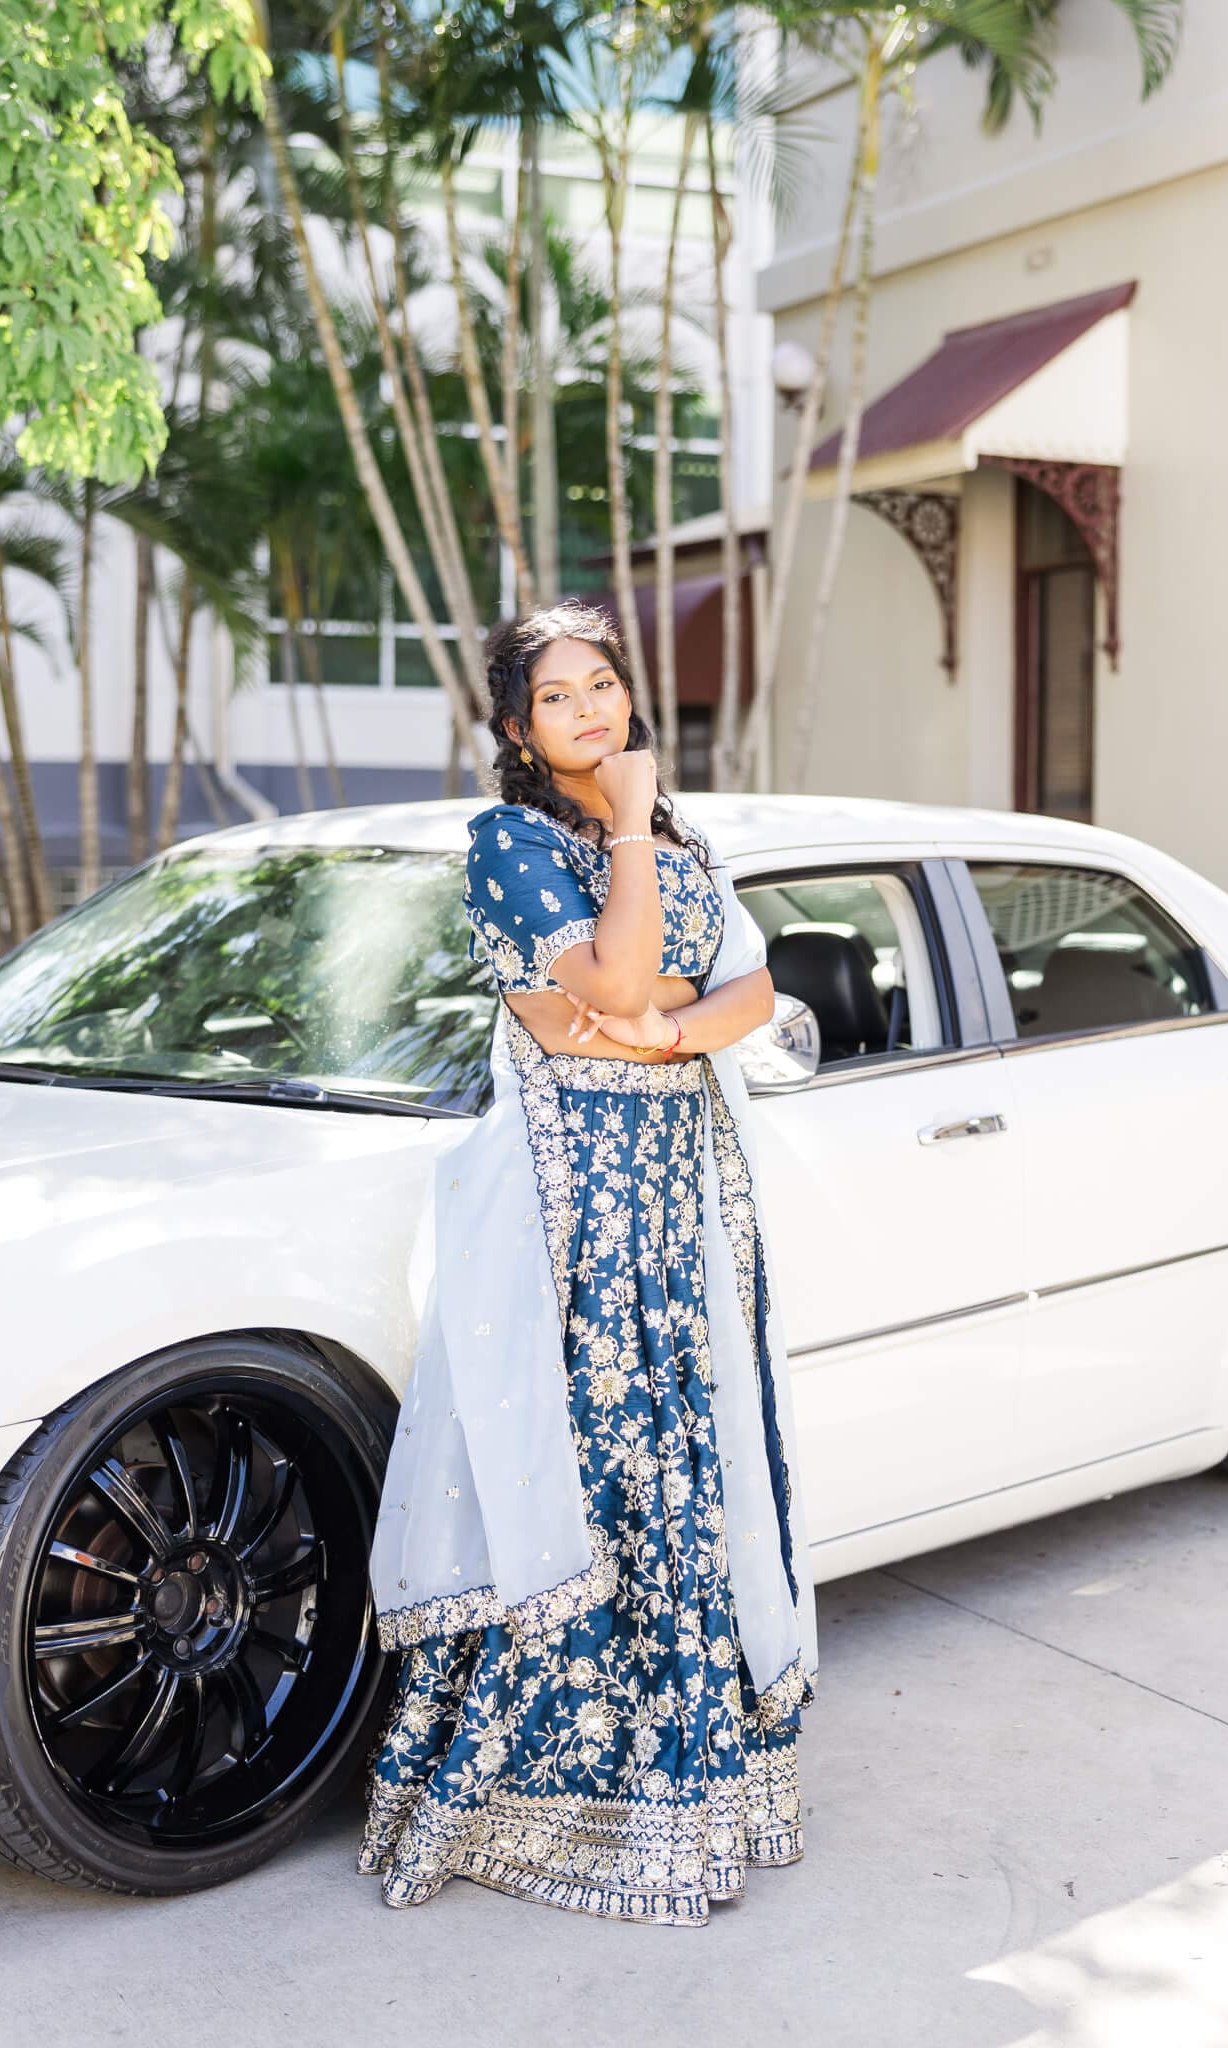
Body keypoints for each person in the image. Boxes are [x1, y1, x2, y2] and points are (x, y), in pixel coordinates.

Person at [357, 600, 819, 1925]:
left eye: (602, 685)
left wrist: (656, 1029)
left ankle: (693, 1784)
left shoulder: (679, 838)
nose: (589, 712)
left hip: (679, 1190)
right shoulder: (509, 845)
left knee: (688, 1459)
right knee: (590, 1460)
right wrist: (627, 865)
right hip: (574, 1208)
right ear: (517, 730)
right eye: (557, 698)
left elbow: (750, 995)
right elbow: (612, 985)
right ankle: (559, 1791)